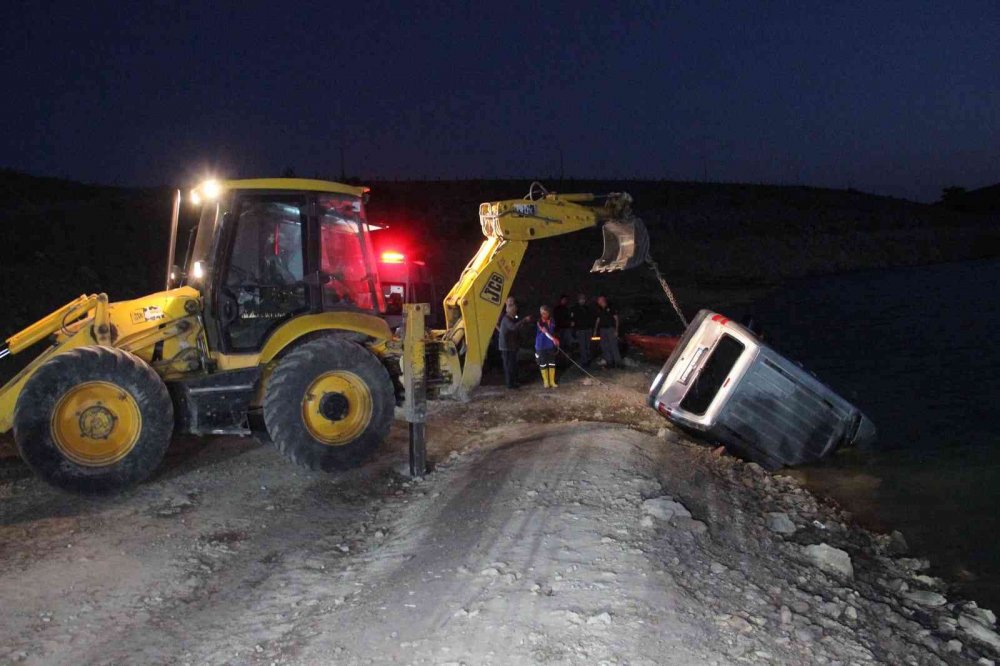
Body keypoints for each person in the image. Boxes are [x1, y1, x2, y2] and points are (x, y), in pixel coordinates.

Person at [498, 302, 531, 389]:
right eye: (514, 310)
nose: (516, 312)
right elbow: (513, 327)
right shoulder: (506, 319)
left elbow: (516, 328)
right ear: (510, 310)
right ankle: (510, 384)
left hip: (511, 346)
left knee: (512, 365)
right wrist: (524, 320)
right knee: (509, 365)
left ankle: (513, 381)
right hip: (506, 347)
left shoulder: (511, 318)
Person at [594, 295, 622, 368]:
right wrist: (595, 330)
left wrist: (616, 330)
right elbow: (598, 320)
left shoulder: (611, 307)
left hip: (610, 329)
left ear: (603, 300)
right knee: (604, 346)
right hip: (602, 330)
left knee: (613, 345)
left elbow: (616, 319)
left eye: (599, 300)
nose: (598, 301)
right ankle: (609, 362)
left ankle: (618, 363)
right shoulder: (599, 309)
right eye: (598, 300)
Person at [535, 305, 560, 388]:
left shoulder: (552, 320)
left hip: (550, 345)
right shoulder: (539, 322)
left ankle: (552, 381)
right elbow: (545, 332)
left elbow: (553, 331)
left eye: (545, 313)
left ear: (548, 313)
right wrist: (554, 339)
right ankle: (546, 382)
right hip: (541, 345)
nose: (543, 315)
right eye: (542, 313)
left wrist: (556, 339)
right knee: (543, 364)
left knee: (552, 363)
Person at [569, 293, 595, 366]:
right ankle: (584, 361)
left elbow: (591, 318)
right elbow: (572, 320)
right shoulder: (574, 308)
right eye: (581, 299)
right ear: (578, 299)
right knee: (582, 346)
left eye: (583, 299)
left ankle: (588, 359)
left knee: (588, 346)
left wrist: (591, 327)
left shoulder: (587, 308)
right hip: (580, 330)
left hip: (588, 329)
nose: (582, 300)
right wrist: (574, 329)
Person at [553, 294, 572, 359]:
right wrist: (556, 329)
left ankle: (567, 356)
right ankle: (561, 356)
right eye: (563, 300)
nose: (565, 301)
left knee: (568, 343)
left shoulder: (567, 309)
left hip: (566, 328)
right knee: (561, 343)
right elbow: (556, 319)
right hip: (560, 328)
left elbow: (569, 317)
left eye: (565, 300)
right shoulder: (557, 309)